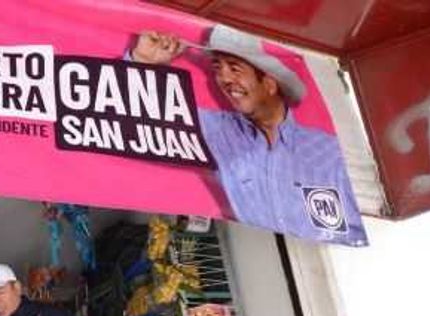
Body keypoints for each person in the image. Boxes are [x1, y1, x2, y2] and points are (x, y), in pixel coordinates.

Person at [130, 26, 366, 245]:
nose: (224, 79)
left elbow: (363, 223)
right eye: (217, 69)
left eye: (234, 68)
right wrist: (142, 61)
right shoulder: (221, 132)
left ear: (270, 84)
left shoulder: (329, 150)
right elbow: (144, 113)